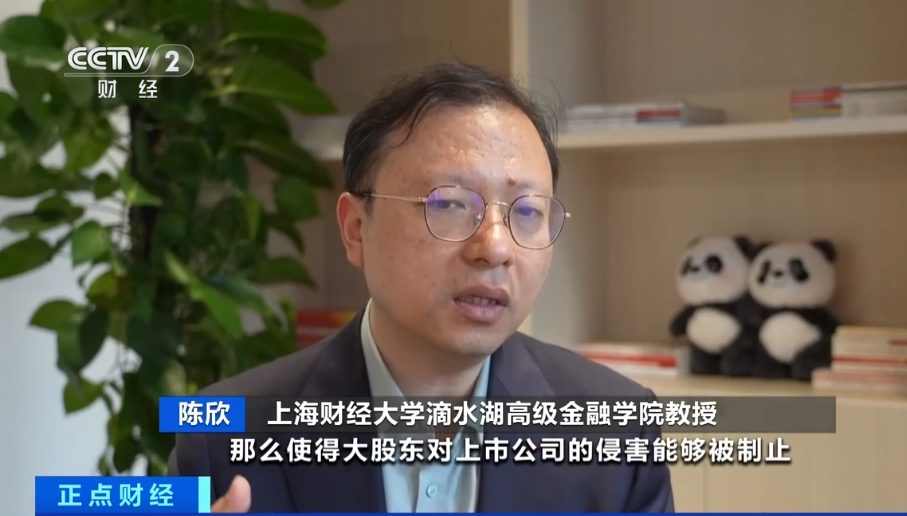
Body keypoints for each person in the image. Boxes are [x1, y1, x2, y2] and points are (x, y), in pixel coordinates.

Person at [169, 62, 674, 513]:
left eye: (527, 211)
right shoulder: (222, 438)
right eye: (449, 204)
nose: (495, 247)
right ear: (355, 229)